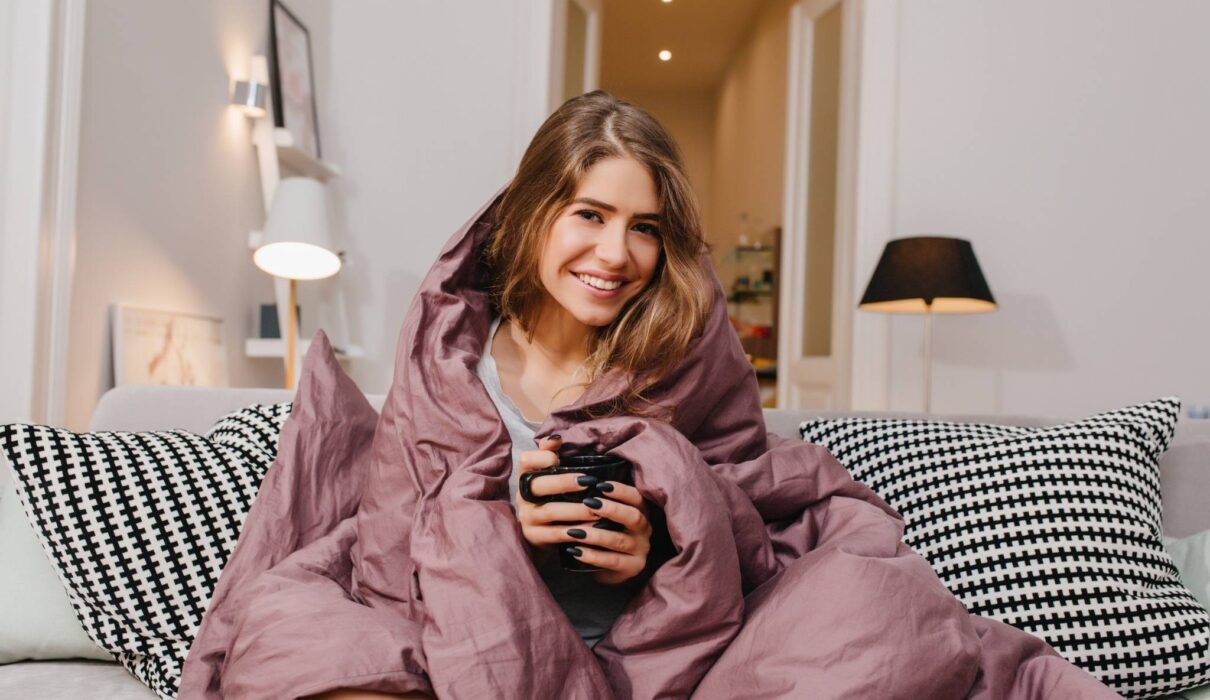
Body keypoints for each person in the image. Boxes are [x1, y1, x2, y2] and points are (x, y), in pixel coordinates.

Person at [313, 90, 712, 700]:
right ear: (533, 211)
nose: (615, 253)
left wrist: (654, 550)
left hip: (633, 662)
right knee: (308, 652)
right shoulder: (446, 356)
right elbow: (391, 547)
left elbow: (742, 512)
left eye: (645, 229)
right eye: (591, 214)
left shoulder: (679, 363)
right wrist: (501, 533)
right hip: (467, 653)